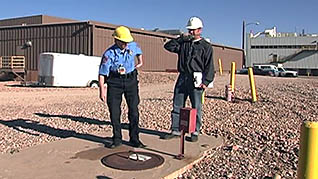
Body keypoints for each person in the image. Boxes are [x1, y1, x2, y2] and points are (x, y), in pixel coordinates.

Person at [162, 17, 215, 142]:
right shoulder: (184, 44)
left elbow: (210, 66)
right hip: (183, 77)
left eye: (193, 30)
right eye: (190, 30)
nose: (191, 32)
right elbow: (168, 46)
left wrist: (206, 82)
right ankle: (175, 130)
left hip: (197, 78)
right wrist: (180, 39)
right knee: (177, 104)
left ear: (200, 30)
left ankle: (195, 131)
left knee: (196, 106)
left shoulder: (206, 46)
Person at [98, 26, 145, 148]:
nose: (125, 44)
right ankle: (117, 138)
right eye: (123, 42)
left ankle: (134, 139)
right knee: (114, 111)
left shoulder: (133, 46)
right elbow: (102, 73)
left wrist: (140, 62)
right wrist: (102, 90)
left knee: (134, 111)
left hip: (131, 80)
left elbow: (139, 52)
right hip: (115, 82)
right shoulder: (108, 54)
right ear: (116, 40)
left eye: (127, 42)